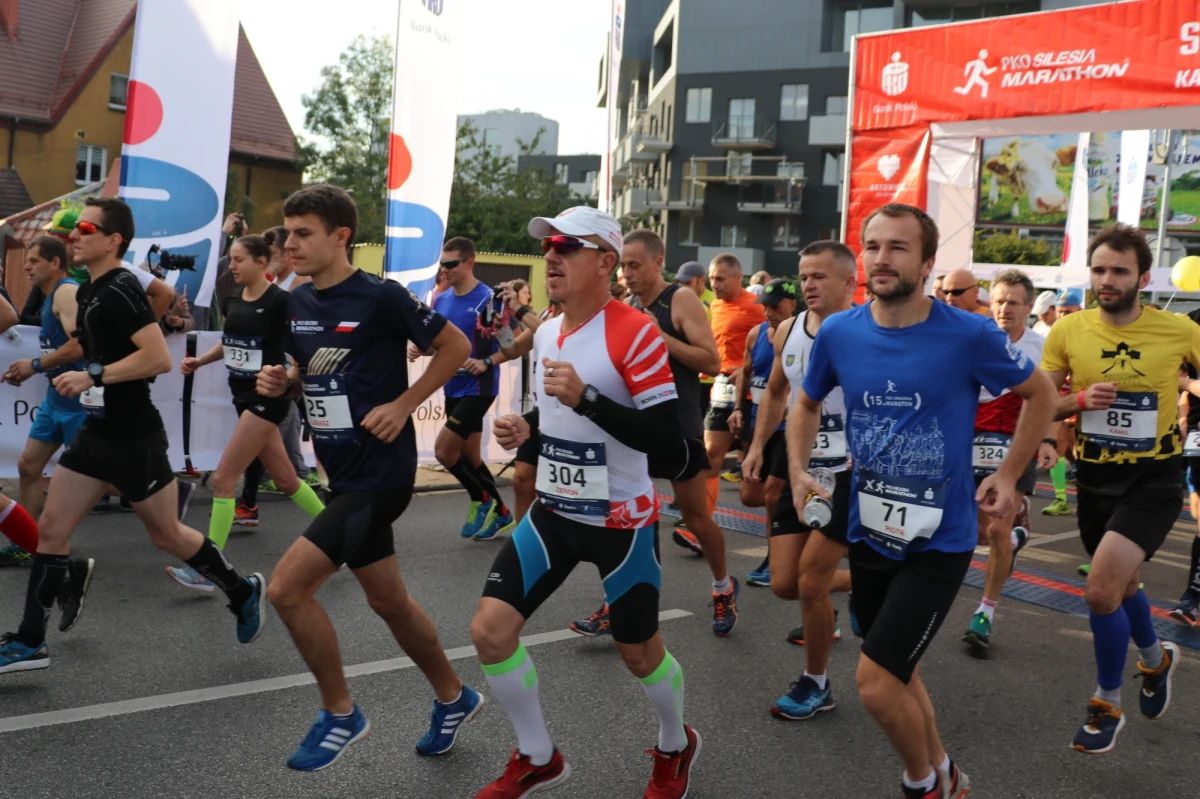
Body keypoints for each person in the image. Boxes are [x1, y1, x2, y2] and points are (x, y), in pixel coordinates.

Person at [790, 203, 1055, 797]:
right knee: (898, 669)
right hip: (869, 530)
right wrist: (799, 467)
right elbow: (805, 404)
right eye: (873, 245)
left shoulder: (969, 333)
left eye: (898, 248)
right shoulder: (840, 332)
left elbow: (1040, 395)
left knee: (876, 684)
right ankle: (948, 775)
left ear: (928, 262)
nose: (882, 258)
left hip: (941, 539)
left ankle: (921, 784)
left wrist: (1010, 476)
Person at [471, 207, 699, 799]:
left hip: (621, 522)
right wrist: (530, 430)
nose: (550, 254)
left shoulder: (636, 331)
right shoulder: (548, 329)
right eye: (547, 245)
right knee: (490, 632)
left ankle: (676, 742)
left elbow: (671, 449)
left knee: (639, 653)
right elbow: (563, 419)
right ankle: (538, 756)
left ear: (604, 262)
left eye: (566, 245)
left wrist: (592, 397)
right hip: (553, 512)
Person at [256, 184, 483, 770]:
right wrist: (283, 382)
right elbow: (302, 369)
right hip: (342, 471)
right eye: (288, 233)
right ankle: (455, 697)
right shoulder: (297, 302)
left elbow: (455, 345)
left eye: (304, 233)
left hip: (381, 477)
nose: (291, 244)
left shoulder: (381, 297)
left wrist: (406, 404)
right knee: (389, 601)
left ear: (340, 236)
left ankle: (341, 713)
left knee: (286, 589)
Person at [0, 197, 267, 675]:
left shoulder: (121, 286)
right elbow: (88, 343)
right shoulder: (90, 291)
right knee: (54, 531)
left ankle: (242, 590)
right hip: (96, 431)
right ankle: (29, 640)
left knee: (166, 534)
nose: (75, 235)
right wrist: (57, 364)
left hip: (132, 435)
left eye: (84, 227)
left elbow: (157, 358)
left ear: (113, 239)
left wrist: (92, 375)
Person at [1041, 223, 1192, 754]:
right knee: (1124, 587)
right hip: (1096, 476)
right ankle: (1157, 661)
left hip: (1154, 478)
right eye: (1099, 269)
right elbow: (1042, 401)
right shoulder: (1068, 329)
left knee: (1101, 589)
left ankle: (1106, 702)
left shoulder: (1178, 331)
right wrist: (1077, 403)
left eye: (1119, 271)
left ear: (1143, 277)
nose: (1107, 279)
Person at [574, 229, 725, 636]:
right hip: (635, 428)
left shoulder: (680, 299)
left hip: (678, 426)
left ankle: (722, 586)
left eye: (634, 265)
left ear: (659, 263)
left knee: (695, 517)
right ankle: (615, 603)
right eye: (623, 265)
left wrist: (655, 335)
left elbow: (711, 362)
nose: (626, 274)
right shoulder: (624, 306)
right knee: (623, 516)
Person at [163, 235, 327, 591]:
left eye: (238, 260)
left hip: (267, 399)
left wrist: (292, 375)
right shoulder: (234, 297)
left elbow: (303, 343)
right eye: (231, 259)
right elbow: (231, 340)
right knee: (287, 481)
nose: (232, 266)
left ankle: (210, 570)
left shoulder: (282, 302)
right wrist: (200, 361)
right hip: (241, 397)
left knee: (224, 479)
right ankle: (341, 533)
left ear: (262, 262)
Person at [744, 245, 856, 719]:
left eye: (820, 276)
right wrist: (755, 445)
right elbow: (775, 393)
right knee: (785, 583)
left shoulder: (867, 331)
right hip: (799, 470)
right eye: (804, 276)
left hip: (849, 472)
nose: (809, 285)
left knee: (811, 583)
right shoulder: (788, 330)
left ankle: (816, 683)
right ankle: (868, 579)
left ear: (850, 282)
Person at [961, 269, 1058, 652]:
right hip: (973, 439)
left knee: (997, 533)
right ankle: (1021, 532)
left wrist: (1048, 439)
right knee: (980, 535)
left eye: (1013, 302)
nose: (1004, 308)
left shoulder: (1041, 346)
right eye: (999, 300)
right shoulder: (975, 339)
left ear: (1029, 307)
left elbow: (1049, 398)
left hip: (1017, 445)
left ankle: (985, 613)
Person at [672, 252, 762, 630]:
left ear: (738, 277)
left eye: (722, 278)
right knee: (709, 455)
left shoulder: (755, 307)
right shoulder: (710, 309)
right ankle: (699, 525)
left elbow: (770, 343)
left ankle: (782, 548)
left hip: (755, 392)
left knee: (758, 488)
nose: (714, 284)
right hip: (722, 389)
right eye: (711, 278)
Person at [420, 237, 514, 541]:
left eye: (451, 264)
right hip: (453, 385)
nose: (444, 270)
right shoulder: (441, 299)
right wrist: (424, 350)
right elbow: (442, 346)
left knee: (444, 451)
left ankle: (480, 498)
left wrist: (487, 360)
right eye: (442, 264)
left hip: (479, 387)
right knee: (470, 455)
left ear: (469, 263)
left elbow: (511, 346)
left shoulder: (489, 299)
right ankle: (502, 514)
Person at [731, 279, 797, 587]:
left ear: (792, 304)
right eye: (766, 306)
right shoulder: (756, 334)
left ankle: (774, 560)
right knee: (751, 495)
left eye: (776, 306)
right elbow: (745, 373)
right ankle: (799, 528)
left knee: (772, 495)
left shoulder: (802, 335)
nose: (769, 312)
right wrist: (737, 410)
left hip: (791, 428)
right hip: (760, 425)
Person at [248, 225, 319, 506]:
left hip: (293, 367)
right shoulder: (278, 284)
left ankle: (278, 475)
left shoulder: (299, 284)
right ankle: (295, 472)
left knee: (278, 422)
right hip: (279, 368)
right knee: (287, 421)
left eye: (274, 252)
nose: (269, 258)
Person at [494, 281, 562, 538]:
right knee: (522, 480)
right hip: (541, 409)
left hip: (571, 409)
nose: (551, 283)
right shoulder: (544, 315)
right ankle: (523, 543)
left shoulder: (569, 319)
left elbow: (552, 335)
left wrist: (520, 311)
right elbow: (512, 349)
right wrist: (499, 326)